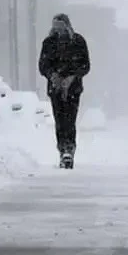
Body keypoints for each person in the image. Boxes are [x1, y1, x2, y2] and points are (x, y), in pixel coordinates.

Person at [38, 13, 90, 168]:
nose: (58, 29)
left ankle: (69, 149)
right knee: (59, 120)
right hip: (55, 88)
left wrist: (72, 77)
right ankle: (62, 149)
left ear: (67, 25)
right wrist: (52, 75)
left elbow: (85, 65)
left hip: (73, 89)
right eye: (55, 26)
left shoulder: (78, 41)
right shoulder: (48, 43)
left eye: (60, 26)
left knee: (70, 119)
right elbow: (43, 65)